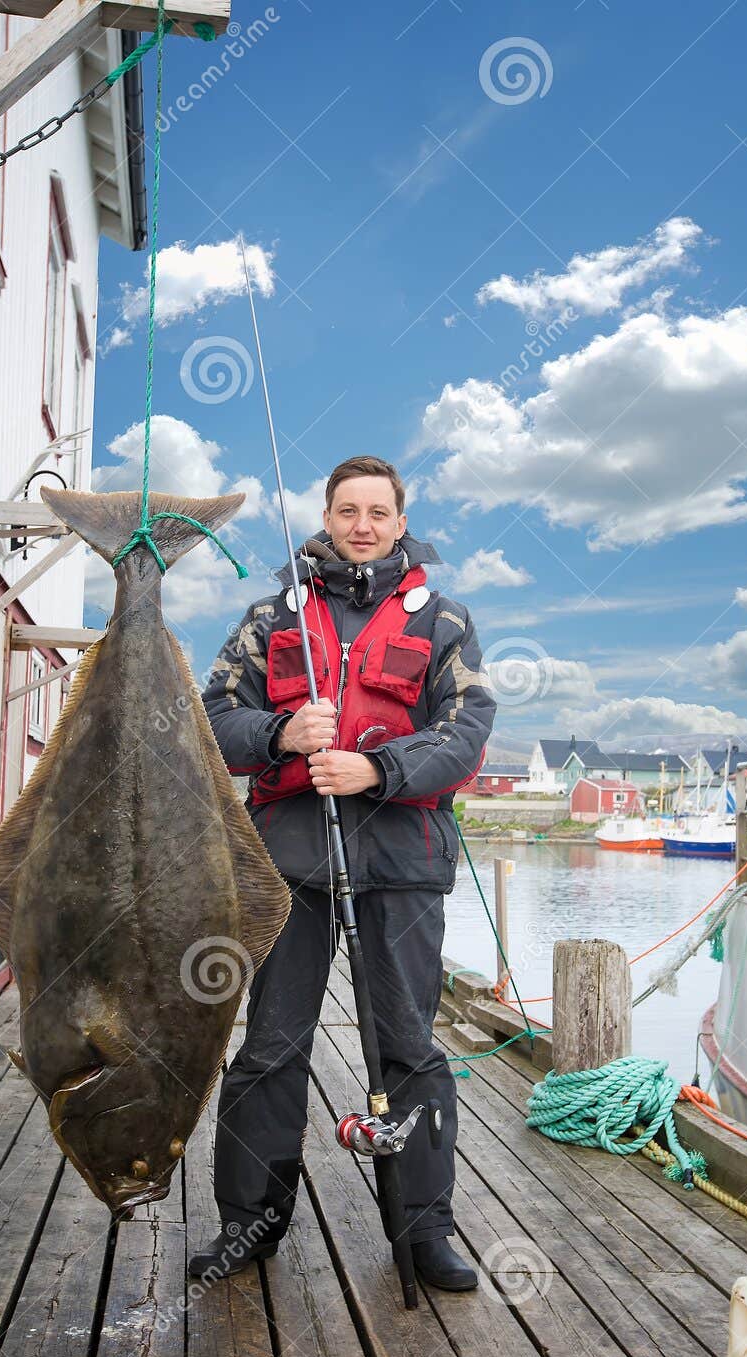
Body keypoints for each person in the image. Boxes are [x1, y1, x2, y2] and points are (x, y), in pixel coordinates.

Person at [191, 455, 496, 1290]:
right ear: (325, 518)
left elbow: (467, 734)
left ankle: (424, 1233)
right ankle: (248, 1222)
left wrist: (379, 772)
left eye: (377, 511)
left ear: (401, 523)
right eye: (346, 510)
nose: (361, 524)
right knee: (268, 1049)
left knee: (407, 1052)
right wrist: (280, 734)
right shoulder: (267, 618)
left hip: (400, 871)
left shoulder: (444, 623)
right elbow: (212, 719)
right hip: (288, 866)